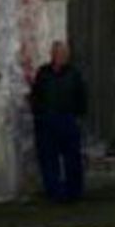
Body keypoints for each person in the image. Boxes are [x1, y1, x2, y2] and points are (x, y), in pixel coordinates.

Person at [30, 40, 89, 202]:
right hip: (47, 121)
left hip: (68, 120)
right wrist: (39, 115)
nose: (60, 56)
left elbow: (81, 96)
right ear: (52, 55)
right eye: (57, 53)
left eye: (63, 54)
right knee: (49, 159)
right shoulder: (43, 73)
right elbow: (36, 96)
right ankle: (54, 193)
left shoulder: (74, 74)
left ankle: (74, 192)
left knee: (73, 159)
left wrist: (77, 116)